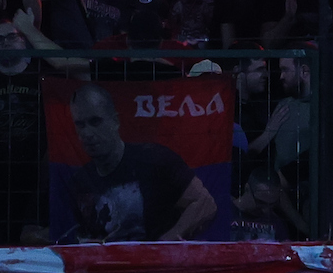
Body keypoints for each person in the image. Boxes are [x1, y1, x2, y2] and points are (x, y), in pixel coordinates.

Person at [66, 83, 219, 241]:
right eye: (80, 125)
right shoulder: (79, 182)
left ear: (115, 121)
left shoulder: (155, 159)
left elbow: (205, 204)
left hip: (157, 263)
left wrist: (165, 244)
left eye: (95, 122)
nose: (87, 133)